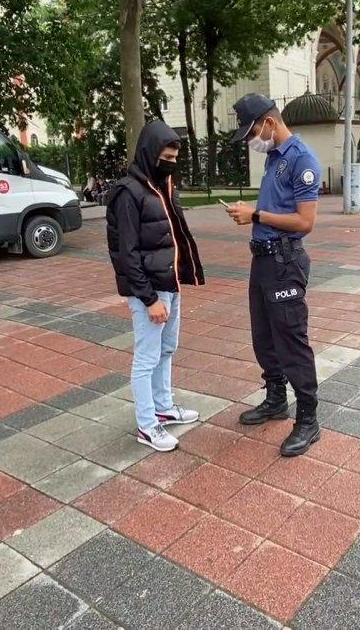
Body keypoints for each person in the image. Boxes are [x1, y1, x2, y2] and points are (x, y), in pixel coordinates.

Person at [224, 94, 321, 457]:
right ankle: (276, 399)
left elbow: (305, 222)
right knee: (264, 337)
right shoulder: (272, 160)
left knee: (291, 341)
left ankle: (308, 419)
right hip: (263, 261)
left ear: (269, 123)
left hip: (284, 262)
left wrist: (256, 216)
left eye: (252, 132)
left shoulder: (301, 160)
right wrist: (251, 216)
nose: (251, 140)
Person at [106, 120, 205, 452]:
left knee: (166, 350)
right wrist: (149, 299)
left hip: (170, 285)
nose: (171, 162)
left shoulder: (164, 186)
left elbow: (175, 236)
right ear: (150, 153)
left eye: (175, 157)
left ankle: (163, 408)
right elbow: (126, 253)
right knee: (146, 357)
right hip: (149, 291)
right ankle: (147, 426)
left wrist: (178, 282)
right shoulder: (128, 192)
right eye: (165, 156)